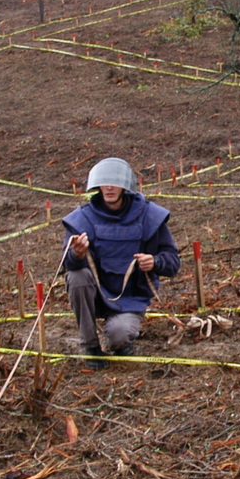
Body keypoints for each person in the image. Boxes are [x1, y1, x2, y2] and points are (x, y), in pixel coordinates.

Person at [59, 158, 179, 368]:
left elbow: (173, 262)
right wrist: (76, 254)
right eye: (105, 182)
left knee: (119, 336)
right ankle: (90, 346)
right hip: (95, 295)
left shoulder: (148, 216)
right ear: (97, 185)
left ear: (125, 186)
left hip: (130, 300)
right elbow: (67, 264)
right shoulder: (83, 219)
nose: (109, 187)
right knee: (76, 275)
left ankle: (122, 340)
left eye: (115, 182)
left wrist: (155, 262)